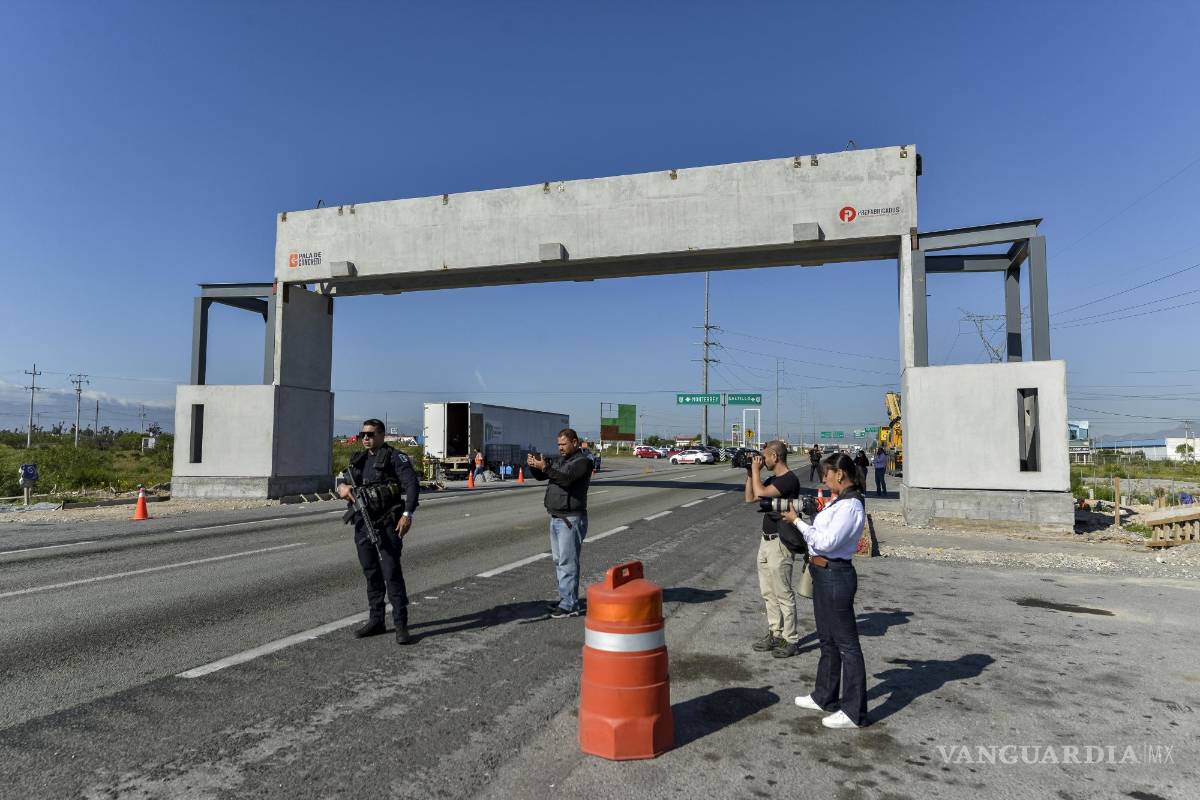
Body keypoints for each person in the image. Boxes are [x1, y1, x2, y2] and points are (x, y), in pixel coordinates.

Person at [781, 452, 869, 729]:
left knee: (847, 646)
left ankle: (854, 712)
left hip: (836, 575)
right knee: (827, 641)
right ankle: (824, 696)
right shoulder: (839, 502)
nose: (824, 479)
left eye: (826, 474)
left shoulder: (851, 506)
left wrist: (797, 522)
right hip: (823, 573)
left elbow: (828, 541)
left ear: (839, 474)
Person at [337, 418, 421, 645]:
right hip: (363, 524)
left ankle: (401, 624)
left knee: (391, 573)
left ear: (382, 435)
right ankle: (376, 619)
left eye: (371, 434)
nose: (366, 438)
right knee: (371, 573)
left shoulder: (395, 457)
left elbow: (412, 484)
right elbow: (342, 482)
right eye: (363, 434)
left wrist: (408, 514)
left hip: (387, 524)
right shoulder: (359, 459)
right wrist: (342, 488)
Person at [744, 440, 803, 658]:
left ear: (775, 457)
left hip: (780, 542)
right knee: (768, 592)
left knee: (783, 593)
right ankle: (775, 633)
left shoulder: (788, 479)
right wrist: (750, 474)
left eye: (764, 456)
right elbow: (750, 497)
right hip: (766, 541)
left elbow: (761, 494)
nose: (762, 460)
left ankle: (791, 639)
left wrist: (755, 470)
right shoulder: (772, 479)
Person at [527, 428, 592, 618]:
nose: (560, 448)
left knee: (567, 562)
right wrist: (534, 466)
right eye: (558, 445)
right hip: (556, 517)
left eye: (564, 444)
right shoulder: (560, 461)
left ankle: (570, 605)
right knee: (559, 561)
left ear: (575, 442)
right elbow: (542, 476)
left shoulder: (583, 462)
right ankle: (566, 599)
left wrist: (546, 467)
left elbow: (567, 479)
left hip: (570, 520)